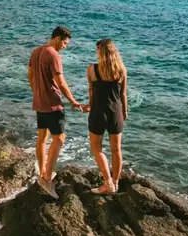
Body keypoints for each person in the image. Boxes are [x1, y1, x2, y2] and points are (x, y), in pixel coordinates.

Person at [28, 25, 87, 199]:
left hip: (39, 102)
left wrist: (37, 92)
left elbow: (29, 76)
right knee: (59, 139)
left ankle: (42, 173)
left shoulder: (36, 51)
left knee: (42, 139)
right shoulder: (54, 55)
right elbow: (60, 82)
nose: (65, 46)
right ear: (57, 38)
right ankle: (47, 178)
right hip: (53, 104)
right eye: (65, 43)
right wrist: (74, 102)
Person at [87, 38, 128, 195]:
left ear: (101, 51)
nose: (96, 52)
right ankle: (115, 183)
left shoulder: (92, 69)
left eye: (97, 50)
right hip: (116, 112)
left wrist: (90, 106)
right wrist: (124, 112)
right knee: (116, 150)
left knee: (97, 148)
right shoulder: (122, 70)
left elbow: (91, 91)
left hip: (98, 112)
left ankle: (108, 183)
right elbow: (123, 94)